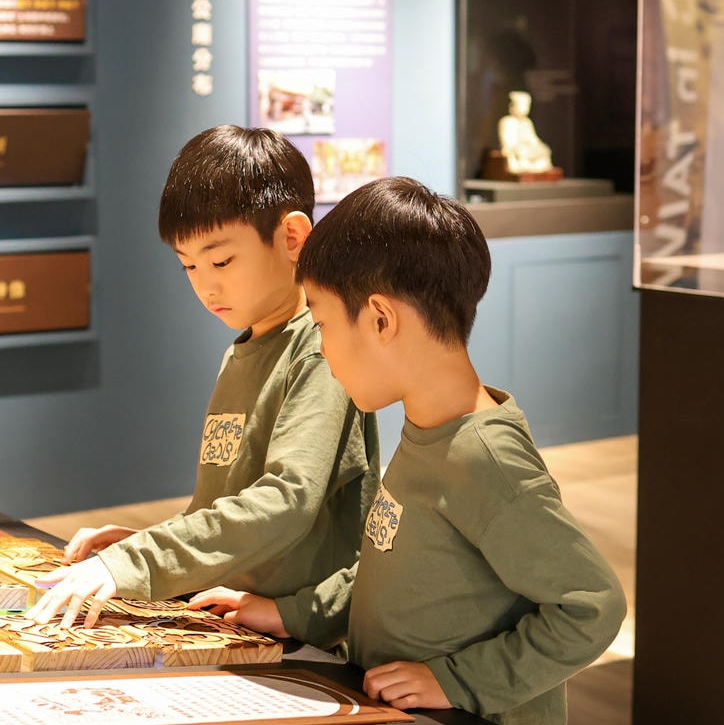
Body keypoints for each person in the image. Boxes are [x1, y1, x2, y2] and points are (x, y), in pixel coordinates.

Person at [190, 177, 626, 724]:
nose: (322, 347)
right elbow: (387, 566)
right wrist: (290, 613)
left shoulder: (483, 457)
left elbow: (590, 605)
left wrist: (457, 680)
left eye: (322, 323)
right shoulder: (426, 431)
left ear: (380, 319)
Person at [26, 125, 381, 638]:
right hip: (238, 618)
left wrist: (137, 560)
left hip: (304, 639)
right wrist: (148, 543)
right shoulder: (246, 347)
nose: (205, 285)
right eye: (188, 265)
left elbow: (285, 501)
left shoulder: (320, 349)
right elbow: (225, 503)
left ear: (292, 237)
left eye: (220, 260)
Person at [498, 90, 554, 174]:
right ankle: (524, 165)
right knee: (521, 152)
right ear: (513, 106)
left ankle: (535, 166)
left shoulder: (527, 122)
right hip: (517, 149)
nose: (525, 109)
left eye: (527, 106)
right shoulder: (507, 121)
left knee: (544, 150)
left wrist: (536, 145)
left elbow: (534, 139)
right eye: (522, 105)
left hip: (527, 148)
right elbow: (507, 142)